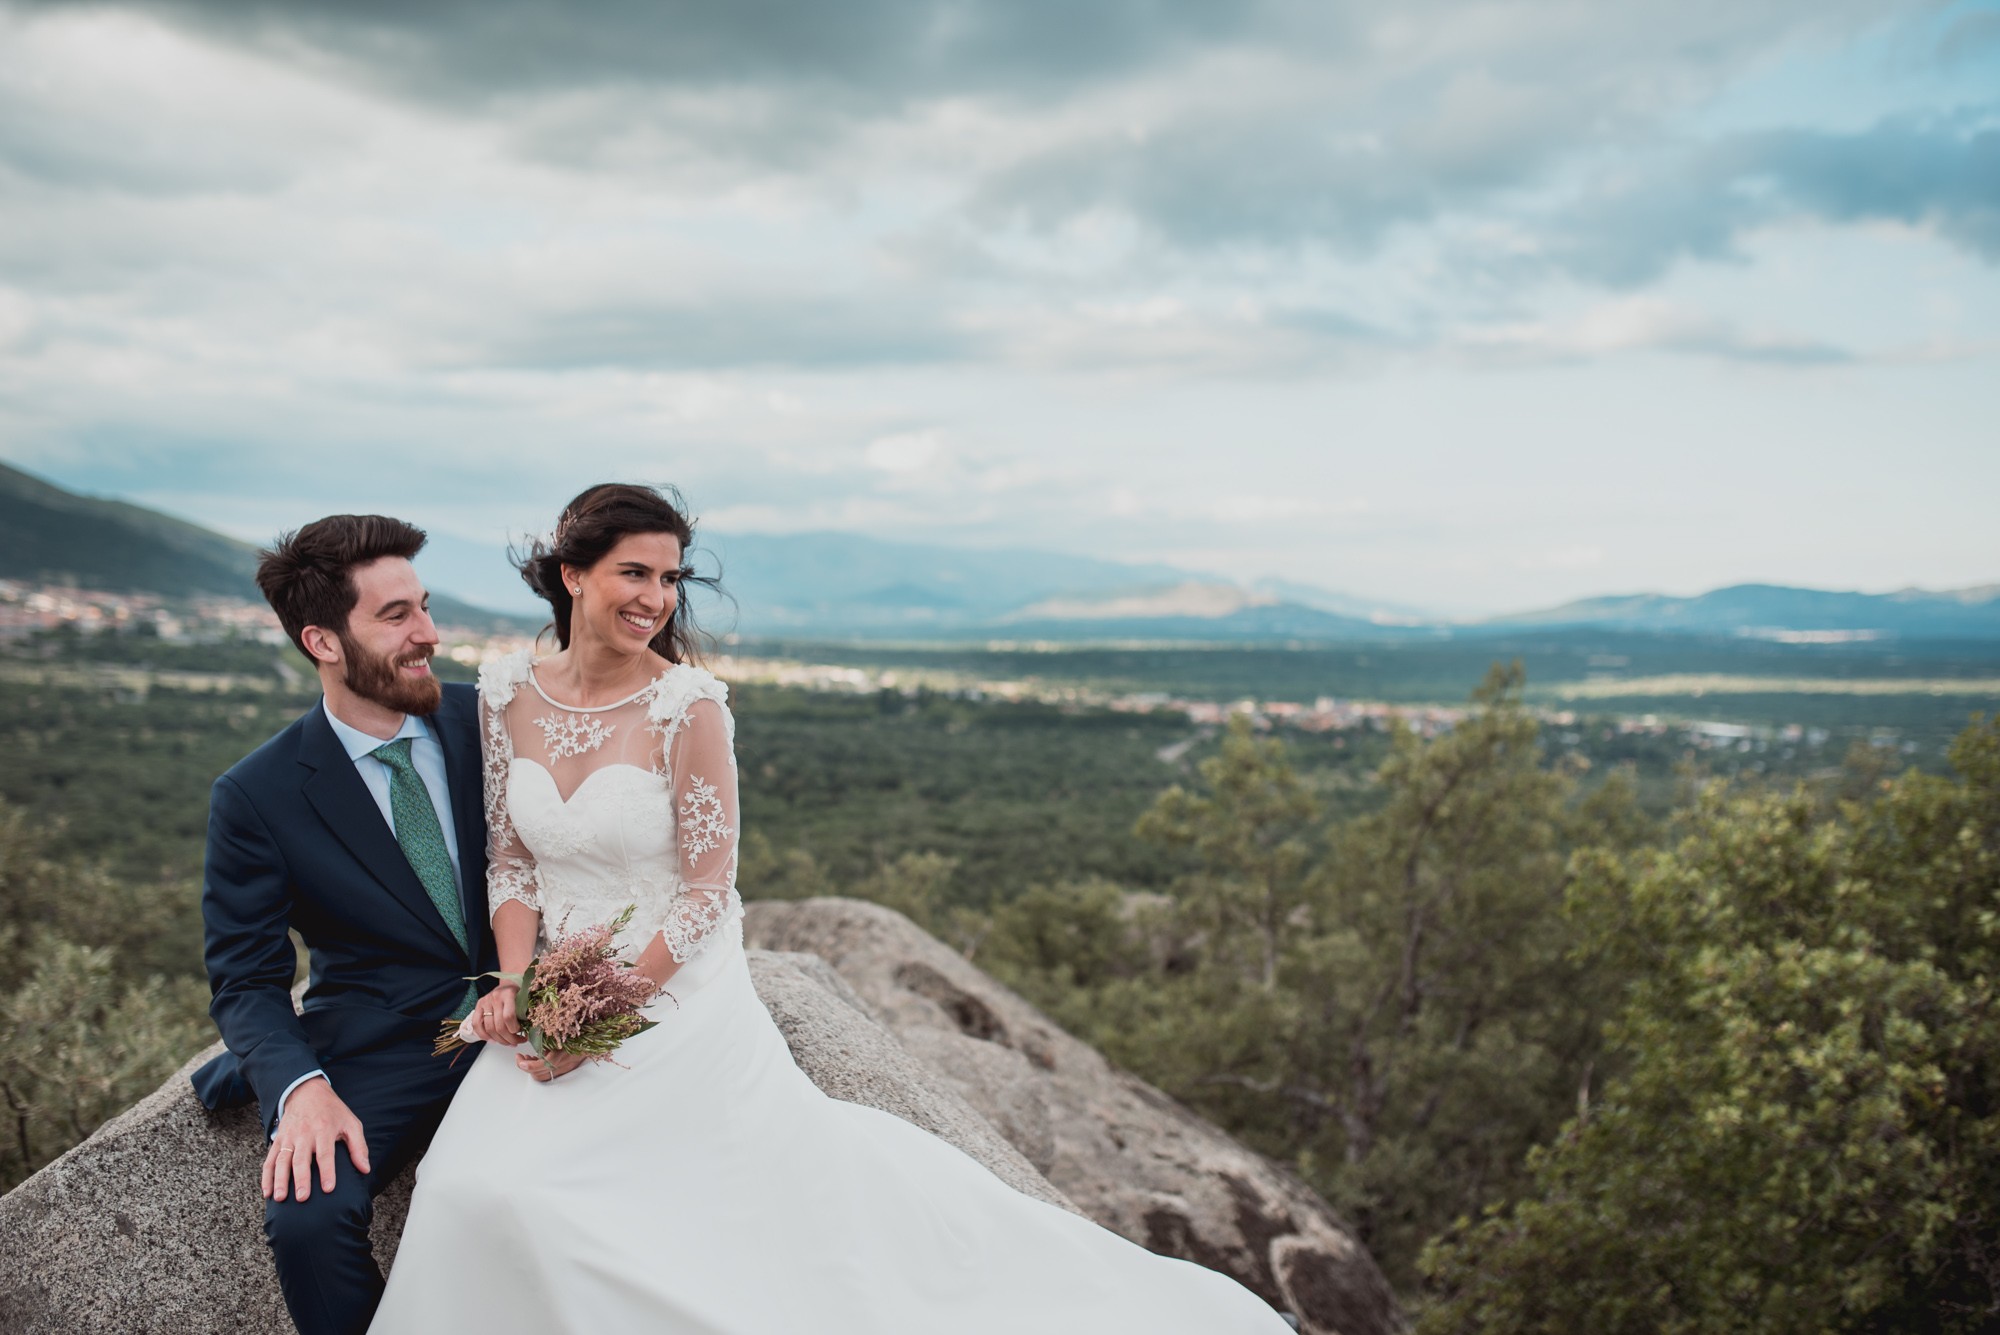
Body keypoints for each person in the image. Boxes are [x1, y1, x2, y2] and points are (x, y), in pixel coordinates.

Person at [367, 482, 1294, 1334]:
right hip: (552, 982)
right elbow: (512, 859)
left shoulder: (689, 708)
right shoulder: (502, 695)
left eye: (669, 577)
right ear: (572, 574)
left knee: (602, 1219)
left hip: (669, 988)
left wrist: (599, 1009)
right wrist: (525, 986)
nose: (655, 596)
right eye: (633, 572)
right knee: (465, 1187)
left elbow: (704, 895)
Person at [191, 515, 497, 1335]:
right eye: (396, 616)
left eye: (424, 607)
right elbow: (249, 980)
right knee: (306, 1217)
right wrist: (301, 1088)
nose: (428, 634)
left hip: (525, 1020)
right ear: (323, 640)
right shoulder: (256, 796)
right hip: (384, 1042)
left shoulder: (491, 722)